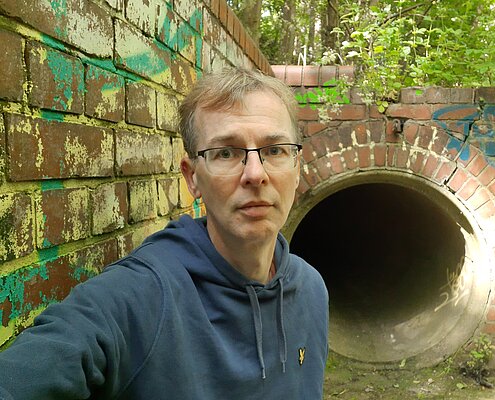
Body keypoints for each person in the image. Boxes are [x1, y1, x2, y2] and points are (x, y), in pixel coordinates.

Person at [0, 68, 329, 399]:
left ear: (297, 166)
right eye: (226, 153)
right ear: (192, 178)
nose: (255, 174)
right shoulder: (141, 298)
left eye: (274, 150)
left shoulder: (311, 289)